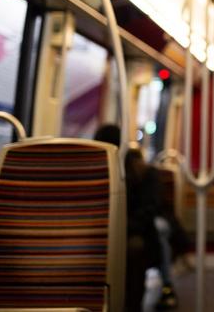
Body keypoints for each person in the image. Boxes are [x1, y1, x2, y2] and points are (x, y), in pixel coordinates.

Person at [94, 125, 164, 312]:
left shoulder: (140, 173)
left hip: (133, 231)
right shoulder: (97, 170)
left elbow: (148, 211)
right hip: (105, 232)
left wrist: (121, 229)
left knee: (134, 248)